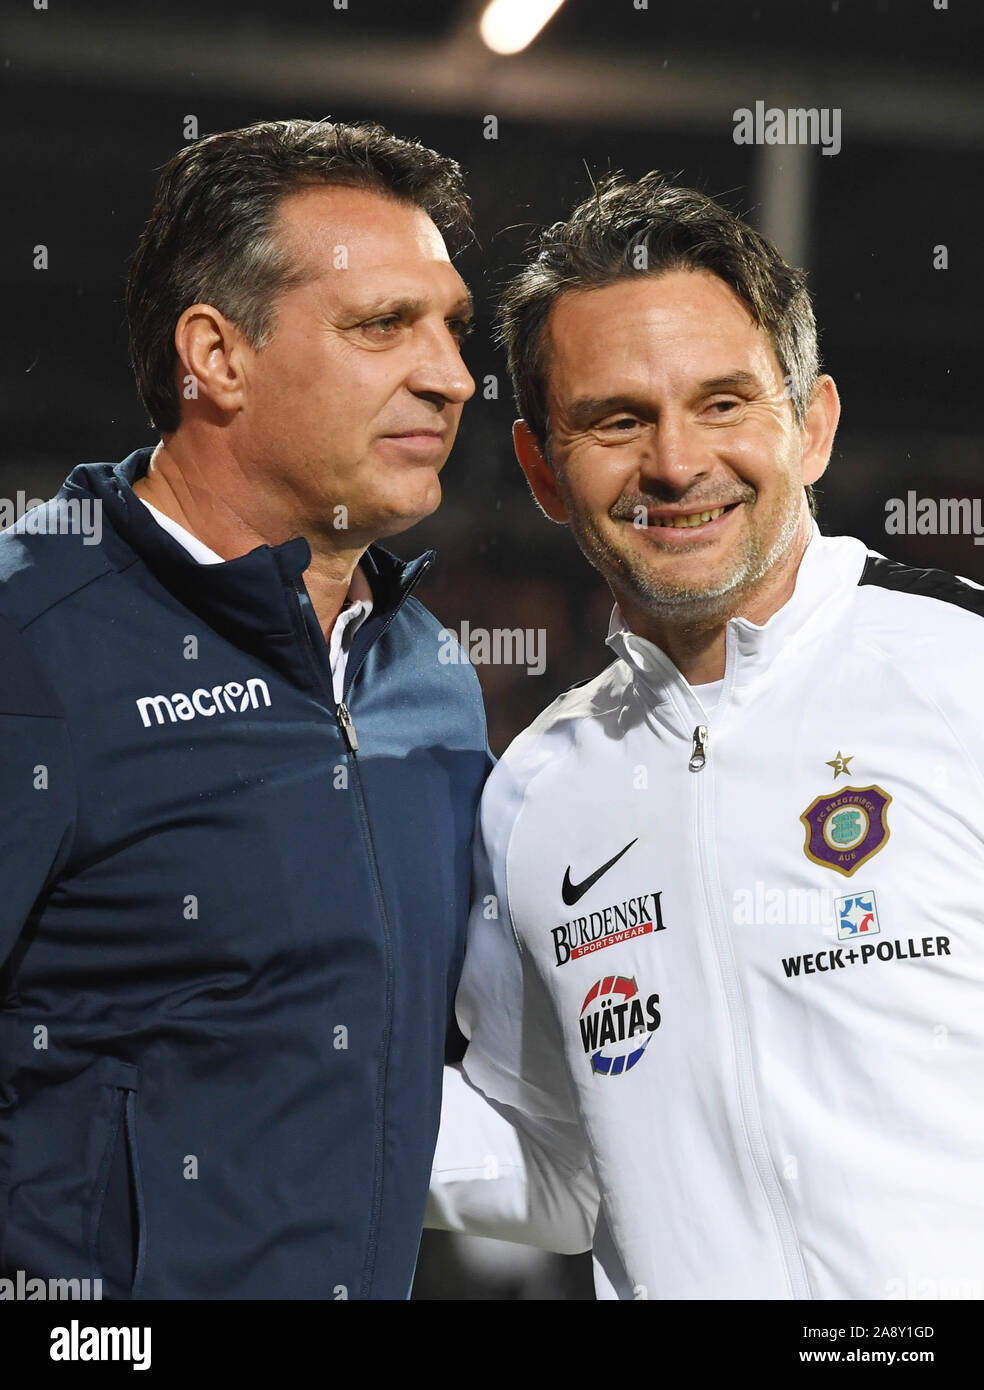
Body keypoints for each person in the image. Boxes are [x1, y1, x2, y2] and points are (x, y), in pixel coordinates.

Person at [427, 172, 984, 1300]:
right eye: (617, 420)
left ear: (813, 425)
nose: (676, 464)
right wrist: (260, 1059)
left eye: (724, 403)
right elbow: (559, 1167)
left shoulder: (959, 671)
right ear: (541, 470)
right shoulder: (531, 796)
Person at [0, 118, 491, 1300]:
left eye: (452, 329)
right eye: (383, 326)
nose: (452, 375)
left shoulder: (430, 675)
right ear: (215, 356)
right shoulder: (30, 647)